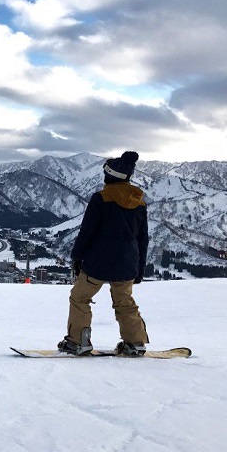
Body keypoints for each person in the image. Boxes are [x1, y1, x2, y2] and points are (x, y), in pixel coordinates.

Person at [58, 151, 150, 356]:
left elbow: (87, 231)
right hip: (127, 264)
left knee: (80, 298)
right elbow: (143, 239)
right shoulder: (139, 202)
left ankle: (78, 341)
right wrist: (139, 268)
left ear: (109, 176)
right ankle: (135, 343)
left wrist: (77, 257)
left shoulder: (101, 198)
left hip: (97, 263)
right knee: (124, 303)